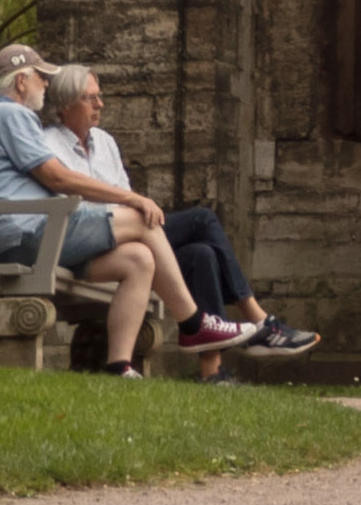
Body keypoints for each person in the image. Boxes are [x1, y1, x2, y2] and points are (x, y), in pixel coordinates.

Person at [40, 66, 316, 363]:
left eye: (99, 97)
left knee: (201, 254)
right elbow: (68, 200)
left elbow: (124, 195)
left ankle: (213, 372)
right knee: (202, 220)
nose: (100, 104)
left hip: (127, 236)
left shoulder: (105, 142)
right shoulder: (48, 143)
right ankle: (260, 321)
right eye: (90, 98)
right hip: (89, 239)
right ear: (66, 103)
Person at [0, 53, 175, 372]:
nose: (46, 84)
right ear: (21, 81)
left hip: (34, 235)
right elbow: (59, 178)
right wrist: (132, 198)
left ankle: (119, 365)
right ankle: (194, 321)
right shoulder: (10, 115)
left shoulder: (1, 115)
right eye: (40, 77)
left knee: (139, 259)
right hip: (24, 241)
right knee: (141, 220)